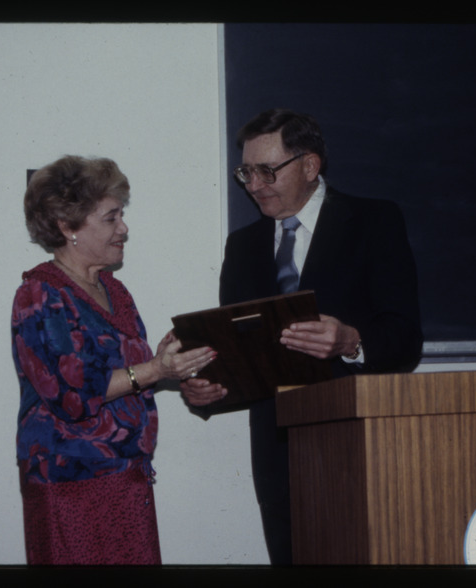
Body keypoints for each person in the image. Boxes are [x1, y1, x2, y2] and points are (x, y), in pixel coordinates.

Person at [181, 108, 423, 564]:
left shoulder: (374, 223)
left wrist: (351, 340)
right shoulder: (243, 245)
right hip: (277, 460)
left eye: (267, 171)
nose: (254, 185)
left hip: (358, 448)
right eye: (246, 172)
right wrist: (205, 389)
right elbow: (237, 360)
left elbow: (406, 340)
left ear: (310, 166)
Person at [12, 155, 217, 565]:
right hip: (71, 485)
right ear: (66, 226)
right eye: (110, 218)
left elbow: (129, 377)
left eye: (121, 215)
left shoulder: (115, 290)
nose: (124, 228)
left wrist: (174, 368)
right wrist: (157, 369)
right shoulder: (40, 293)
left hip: (126, 479)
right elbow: (73, 396)